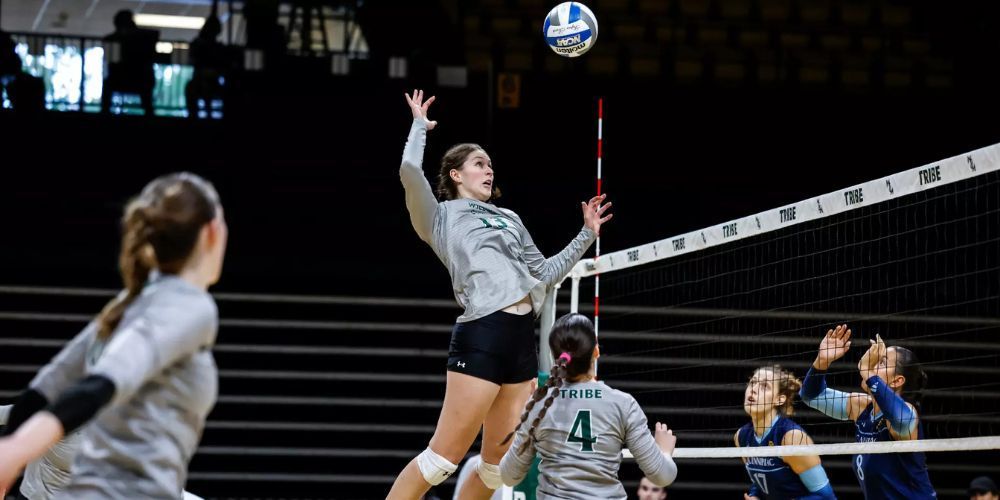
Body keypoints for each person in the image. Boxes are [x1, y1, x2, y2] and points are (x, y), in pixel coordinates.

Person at [387, 90, 612, 499]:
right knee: (441, 460)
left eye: (490, 165)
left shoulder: (509, 218)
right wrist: (420, 127)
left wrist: (586, 234)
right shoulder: (438, 216)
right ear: (456, 174)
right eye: (478, 164)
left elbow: (544, 273)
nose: (489, 171)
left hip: (521, 340)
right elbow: (407, 169)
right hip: (483, 334)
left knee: (496, 471)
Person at [0, 172, 226, 498]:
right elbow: (106, 379)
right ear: (211, 233)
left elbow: (46, 387)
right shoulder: (192, 307)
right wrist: (16, 449)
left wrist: (10, 448)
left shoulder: (128, 303)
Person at [499, 313, 677, 499]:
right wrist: (664, 451)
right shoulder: (623, 404)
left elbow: (509, 476)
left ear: (556, 359)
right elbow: (662, 476)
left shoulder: (540, 405)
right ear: (596, 351)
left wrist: (525, 414)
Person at [799, 325, 935, 499]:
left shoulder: (907, 412)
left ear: (897, 381)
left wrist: (867, 371)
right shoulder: (861, 406)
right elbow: (810, 396)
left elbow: (901, 422)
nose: (872, 362)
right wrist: (822, 361)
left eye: (882, 362)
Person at [736, 365, 835, 500]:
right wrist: (754, 495)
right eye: (753, 383)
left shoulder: (791, 437)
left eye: (765, 386)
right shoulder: (741, 436)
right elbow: (761, 480)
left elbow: (826, 497)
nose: (753, 390)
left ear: (779, 399)